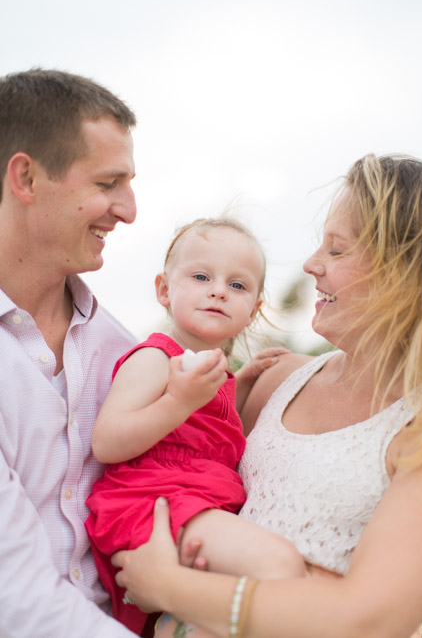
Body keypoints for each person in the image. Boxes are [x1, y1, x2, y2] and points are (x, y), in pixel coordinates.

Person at [112, 154, 422, 638]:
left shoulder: (421, 428)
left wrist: (168, 586)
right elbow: (174, 471)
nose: (311, 264)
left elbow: (374, 621)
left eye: (337, 250)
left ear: (400, 272)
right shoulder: (274, 380)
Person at [85, 218, 307, 635]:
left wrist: (238, 383)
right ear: (165, 290)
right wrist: (178, 401)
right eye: (202, 276)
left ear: (254, 310)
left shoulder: (215, 375)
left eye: (238, 286)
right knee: (277, 563)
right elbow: (107, 442)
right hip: (154, 500)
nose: (219, 290)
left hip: (194, 499)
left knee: (201, 622)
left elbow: (207, 432)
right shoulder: (154, 358)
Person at [0, 68, 141, 638]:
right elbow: (13, 595)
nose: (129, 210)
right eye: (109, 183)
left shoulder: (123, 354)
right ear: (27, 177)